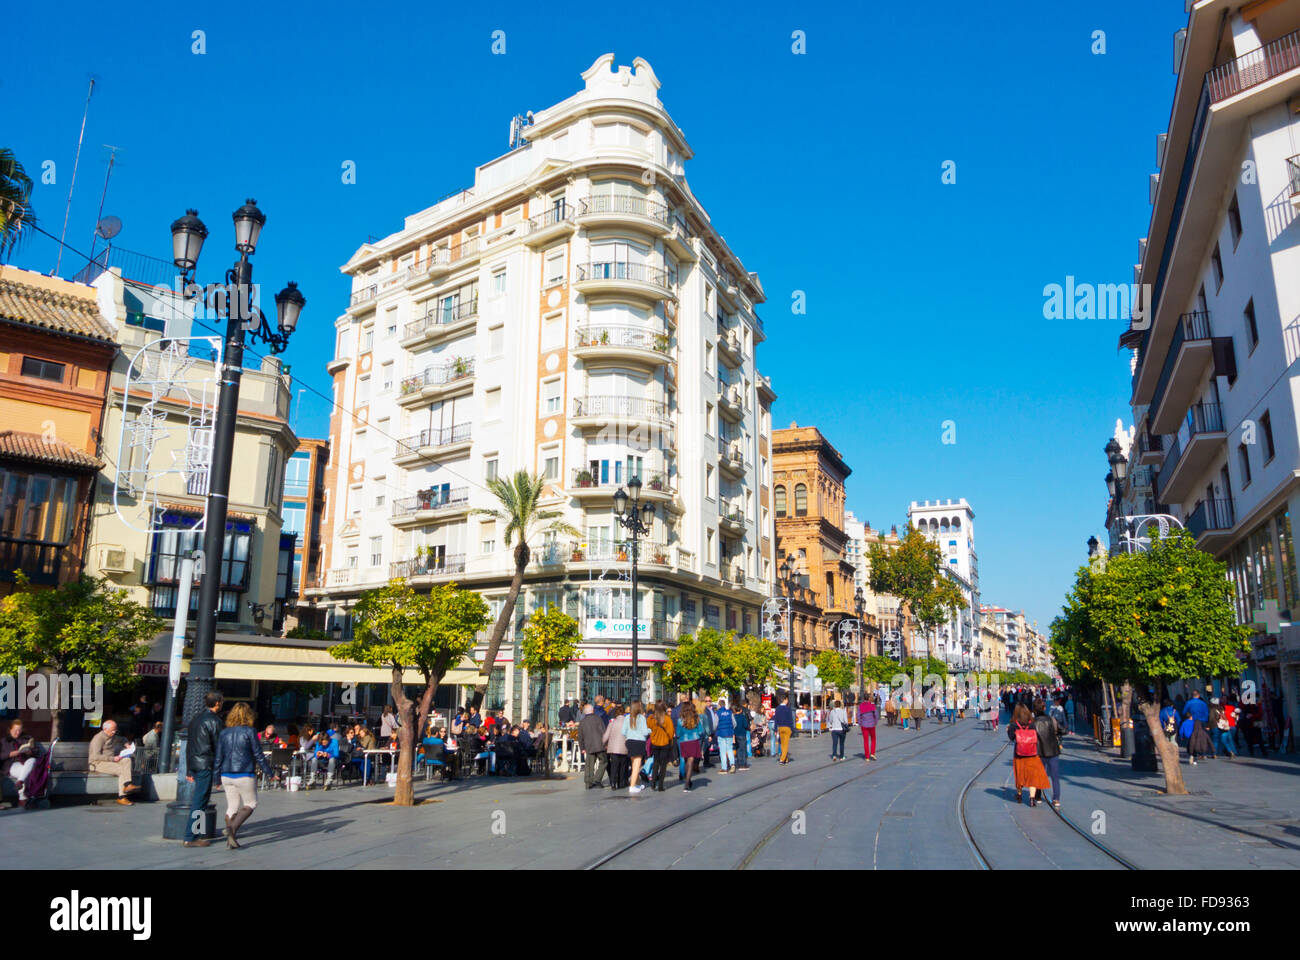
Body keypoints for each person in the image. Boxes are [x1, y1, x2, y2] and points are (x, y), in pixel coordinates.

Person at [214, 701, 276, 849]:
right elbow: (258, 754)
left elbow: (218, 757)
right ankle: (232, 829)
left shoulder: (224, 732)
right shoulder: (250, 731)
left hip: (226, 774)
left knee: (232, 806)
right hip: (244, 773)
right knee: (250, 803)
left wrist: (216, 778)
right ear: (248, 715)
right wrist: (269, 773)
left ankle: (231, 839)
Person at [183, 691, 224, 846]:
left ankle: (196, 833)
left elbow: (189, 745)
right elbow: (219, 746)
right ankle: (191, 836)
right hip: (205, 763)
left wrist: (188, 769)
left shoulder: (196, 719)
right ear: (218, 703)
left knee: (200, 800)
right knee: (200, 801)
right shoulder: (215, 721)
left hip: (194, 762)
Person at [89, 719, 140, 807]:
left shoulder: (113, 736)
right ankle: (122, 797)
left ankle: (128, 785)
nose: (114, 732)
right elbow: (95, 756)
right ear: (105, 729)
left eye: (115, 730)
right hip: (97, 763)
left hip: (110, 761)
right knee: (121, 769)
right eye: (112, 730)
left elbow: (122, 739)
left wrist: (126, 744)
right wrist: (113, 758)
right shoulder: (98, 738)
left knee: (127, 760)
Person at [1007, 703, 1050, 806]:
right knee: (1033, 777)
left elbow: (1012, 738)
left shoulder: (1014, 725)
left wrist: (1009, 731)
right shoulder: (1032, 724)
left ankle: (1019, 795)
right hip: (1032, 754)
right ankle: (1031, 799)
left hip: (1019, 754)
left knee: (1019, 775)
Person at [1032, 698, 1064, 809]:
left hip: (1039, 751)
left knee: (1039, 775)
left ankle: (1038, 796)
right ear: (1044, 708)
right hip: (1052, 750)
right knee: (1055, 776)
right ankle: (1056, 799)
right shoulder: (1052, 720)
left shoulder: (1033, 722)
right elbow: (1062, 729)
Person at [1, 719, 40, 806]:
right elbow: (1, 755)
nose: (18, 732)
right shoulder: (4, 741)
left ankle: (20, 783)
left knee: (32, 760)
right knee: (26, 772)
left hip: (26, 763)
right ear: (10, 729)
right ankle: (22, 798)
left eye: (19, 730)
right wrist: (10, 754)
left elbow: (36, 751)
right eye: (15, 730)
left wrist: (30, 752)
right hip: (11, 765)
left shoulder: (26, 738)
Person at [677, 700, 705, 791]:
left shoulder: (680, 720)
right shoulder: (696, 719)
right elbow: (701, 731)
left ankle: (687, 780)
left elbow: (678, 733)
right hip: (693, 741)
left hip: (683, 741)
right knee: (691, 760)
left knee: (686, 760)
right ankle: (687, 782)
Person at [578, 703, 608, 789]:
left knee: (589, 764)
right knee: (604, 761)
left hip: (589, 746)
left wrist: (582, 748)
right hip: (600, 745)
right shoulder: (598, 719)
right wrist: (606, 744)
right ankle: (597, 779)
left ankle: (588, 782)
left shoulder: (582, 722)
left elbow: (580, 736)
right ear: (593, 710)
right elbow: (603, 732)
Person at [647, 702, 674, 792]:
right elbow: (671, 732)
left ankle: (653, 782)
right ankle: (660, 785)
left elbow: (648, 726)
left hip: (655, 742)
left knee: (656, 762)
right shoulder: (667, 719)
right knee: (663, 765)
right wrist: (669, 739)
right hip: (664, 743)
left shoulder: (652, 718)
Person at [603, 704, 629, 789]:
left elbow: (606, 736)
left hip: (613, 748)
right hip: (624, 747)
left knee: (614, 766)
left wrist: (603, 743)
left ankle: (613, 783)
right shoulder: (627, 723)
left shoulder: (612, 723)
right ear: (624, 712)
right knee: (623, 766)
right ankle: (621, 782)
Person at [713, 697, 736, 773]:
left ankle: (724, 768)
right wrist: (731, 728)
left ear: (719, 705)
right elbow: (734, 723)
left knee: (722, 751)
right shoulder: (730, 712)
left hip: (721, 734)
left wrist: (714, 731)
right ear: (725, 705)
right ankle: (732, 764)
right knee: (729, 749)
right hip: (729, 733)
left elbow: (715, 724)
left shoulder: (718, 713)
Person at [774, 694, 795, 765]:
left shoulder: (777, 708)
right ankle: (782, 759)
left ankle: (785, 759)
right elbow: (790, 720)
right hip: (787, 728)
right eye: (787, 700)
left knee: (782, 744)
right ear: (785, 700)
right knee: (785, 744)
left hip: (780, 728)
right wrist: (792, 729)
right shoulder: (788, 708)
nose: (787, 701)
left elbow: (776, 719)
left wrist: (775, 729)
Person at [732, 700, 752, 771]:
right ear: (740, 710)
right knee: (743, 749)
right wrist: (748, 728)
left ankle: (739, 763)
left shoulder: (733, 717)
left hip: (735, 734)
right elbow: (746, 725)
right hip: (742, 734)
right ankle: (743, 764)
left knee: (738, 749)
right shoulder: (742, 717)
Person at [858, 695, 878, 761]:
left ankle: (867, 757)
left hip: (864, 725)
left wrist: (860, 723)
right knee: (873, 739)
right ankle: (872, 753)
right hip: (872, 724)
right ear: (869, 698)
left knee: (865, 740)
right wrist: (875, 722)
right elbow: (876, 715)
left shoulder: (861, 706)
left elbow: (858, 716)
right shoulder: (872, 705)